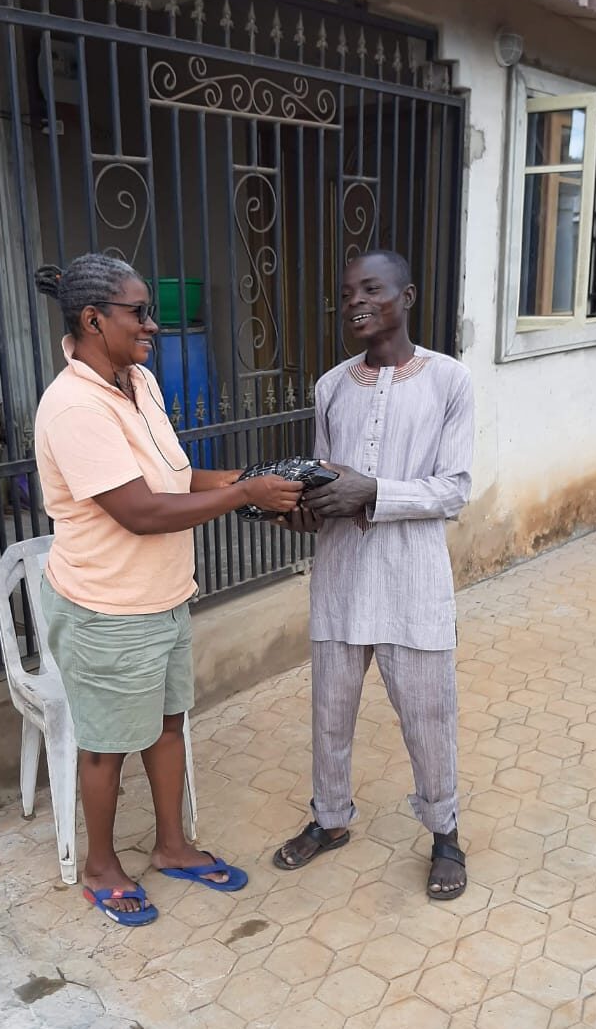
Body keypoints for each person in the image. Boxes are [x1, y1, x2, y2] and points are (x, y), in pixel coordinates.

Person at [33, 253, 302, 925]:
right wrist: (244, 493)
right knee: (106, 745)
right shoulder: (72, 407)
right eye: (139, 313)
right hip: (107, 608)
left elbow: (173, 478)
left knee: (167, 724)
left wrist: (255, 482)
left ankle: (172, 845)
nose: (153, 325)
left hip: (164, 595)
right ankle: (101, 867)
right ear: (93, 320)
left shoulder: (139, 380)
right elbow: (141, 510)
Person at [273, 249, 474, 900]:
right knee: (330, 713)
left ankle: (445, 833)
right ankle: (330, 818)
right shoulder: (331, 386)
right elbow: (326, 481)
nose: (356, 300)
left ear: (406, 296)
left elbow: (454, 488)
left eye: (371, 288)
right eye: (347, 291)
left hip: (412, 581)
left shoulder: (449, 380)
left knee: (428, 714)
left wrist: (374, 491)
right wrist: (304, 511)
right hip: (340, 578)